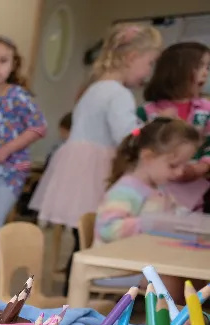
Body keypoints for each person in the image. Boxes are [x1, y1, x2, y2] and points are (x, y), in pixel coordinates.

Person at [30, 23, 161, 293]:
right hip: (95, 168)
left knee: (81, 237)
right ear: (131, 58)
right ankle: (79, 291)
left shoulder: (94, 88)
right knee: (87, 239)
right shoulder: (118, 93)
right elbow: (127, 135)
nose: (149, 73)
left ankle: (74, 290)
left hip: (76, 165)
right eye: (149, 64)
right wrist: (147, 132)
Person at [96, 117, 201, 302]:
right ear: (148, 157)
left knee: (196, 281)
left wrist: (192, 221)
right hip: (115, 268)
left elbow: (177, 214)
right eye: (173, 165)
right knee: (172, 283)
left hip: (143, 264)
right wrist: (150, 223)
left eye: (185, 165)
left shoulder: (159, 189)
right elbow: (108, 228)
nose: (180, 172)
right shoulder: (127, 190)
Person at [0, 35, 47, 288]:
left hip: (10, 173)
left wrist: (7, 149)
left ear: (13, 64)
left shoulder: (17, 95)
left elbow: (39, 127)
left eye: (2, 61)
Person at [137, 41, 210, 210]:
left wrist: (201, 167)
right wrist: (153, 125)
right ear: (177, 70)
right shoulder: (147, 111)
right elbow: (132, 136)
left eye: (208, 67)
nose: (205, 73)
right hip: (155, 192)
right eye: (200, 66)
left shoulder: (206, 110)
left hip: (197, 194)